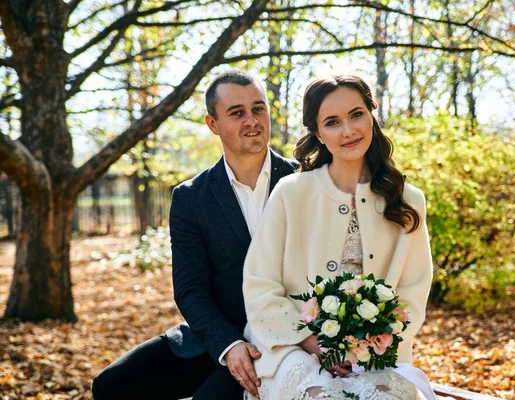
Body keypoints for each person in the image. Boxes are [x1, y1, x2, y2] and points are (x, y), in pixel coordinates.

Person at [91, 70, 298, 400]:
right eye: (237, 112)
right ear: (212, 124)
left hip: (288, 339)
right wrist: (228, 345)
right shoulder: (191, 197)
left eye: (259, 109)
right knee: (111, 385)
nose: (252, 120)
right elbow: (190, 288)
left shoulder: (303, 181)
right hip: (217, 337)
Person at [242, 75, 436, 399]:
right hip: (292, 346)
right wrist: (313, 343)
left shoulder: (407, 201)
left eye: (356, 114)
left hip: (379, 356)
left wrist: (366, 350)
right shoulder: (291, 193)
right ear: (318, 133)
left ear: (371, 116)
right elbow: (260, 284)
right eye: (332, 122)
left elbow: (411, 295)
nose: (348, 131)